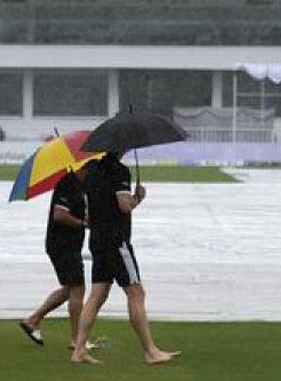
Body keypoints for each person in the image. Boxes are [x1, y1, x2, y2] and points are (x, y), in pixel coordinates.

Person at [70, 152, 179, 366]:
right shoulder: (119, 170)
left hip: (97, 240)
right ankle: (150, 351)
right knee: (136, 292)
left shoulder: (91, 171)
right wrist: (138, 197)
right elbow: (124, 205)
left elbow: (89, 212)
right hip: (116, 241)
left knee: (98, 294)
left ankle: (79, 349)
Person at [20, 161, 97, 349]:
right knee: (78, 289)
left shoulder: (78, 185)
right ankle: (76, 340)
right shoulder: (67, 184)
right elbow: (59, 215)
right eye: (91, 172)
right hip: (62, 245)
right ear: (84, 170)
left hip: (67, 246)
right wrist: (82, 223)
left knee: (69, 289)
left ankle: (33, 320)